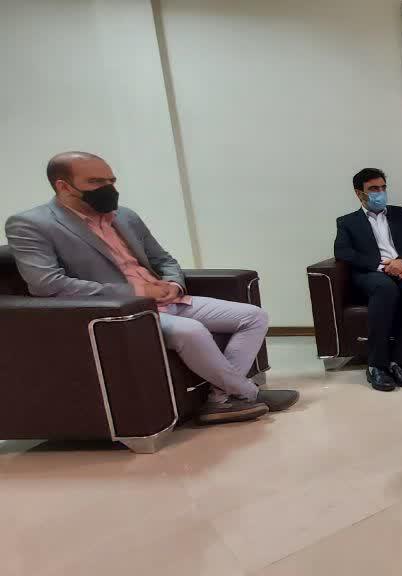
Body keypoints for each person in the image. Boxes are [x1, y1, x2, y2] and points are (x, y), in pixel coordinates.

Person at [4, 152, 298, 424]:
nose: (108, 188)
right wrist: (138, 292)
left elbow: (163, 259)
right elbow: (47, 284)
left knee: (253, 316)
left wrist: (173, 284)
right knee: (192, 331)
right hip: (125, 311)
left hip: (167, 300)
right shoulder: (31, 224)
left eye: (111, 181)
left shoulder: (124, 216)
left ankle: (220, 400)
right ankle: (248, 393)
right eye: (95, 182)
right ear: (63, 186)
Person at [334, 168, 402, 392]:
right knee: (385, 288)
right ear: (359, 193)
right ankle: (376, 365)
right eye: (373, 189)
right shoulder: (347, 222)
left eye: (382, 188)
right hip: (371, 274)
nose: (380, 193)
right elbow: (343, 252)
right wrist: (382, 267)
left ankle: (398, 362)